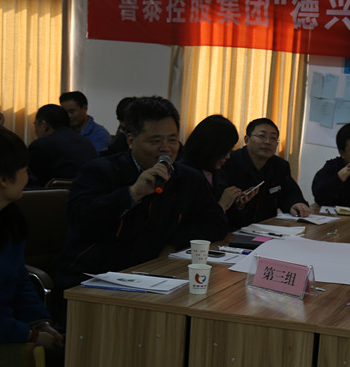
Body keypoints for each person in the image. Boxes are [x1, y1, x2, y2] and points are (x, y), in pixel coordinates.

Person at [53, 96, 229, 294]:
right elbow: (80, 219)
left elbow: (216, 223)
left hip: (156, 274)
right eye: (155, 141)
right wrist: (132, 193)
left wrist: (173, 244)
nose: (166, 148)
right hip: (94, 277)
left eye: (172, 140)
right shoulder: (99, 171)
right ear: (130, 140)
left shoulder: (188, 178)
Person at [0, 127, 64, 367]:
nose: (28, 174)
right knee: (55, 366)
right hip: (2, 332)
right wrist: (30, 335)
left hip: (12, 326)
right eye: (23, 168)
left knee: (66, 351)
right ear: (3, 178)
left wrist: (40, 321)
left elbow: (21, 278)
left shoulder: (9, 218)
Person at [222, 117, 310, 228]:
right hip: (231, 228)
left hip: (266, 228)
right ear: (247, 139)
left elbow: (290, 192)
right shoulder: (228, 162)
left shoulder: (280, 166)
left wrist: (296, 203)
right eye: (261, 136)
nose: (267, 142)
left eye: (273, 138)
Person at [181, 115, 257, 212]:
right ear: (210, 147)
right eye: (225, 151)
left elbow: (226, 217)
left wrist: (237, 204)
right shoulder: (184, 175)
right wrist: (222, 206)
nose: (228, 156)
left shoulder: (219, 173)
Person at [28, 104, 98, 187]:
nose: (35, 131)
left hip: (55, 194)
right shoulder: (86, 142)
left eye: (35, 125)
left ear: (44, 125)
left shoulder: (40, 146)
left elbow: (27, 180)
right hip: (90, 191)